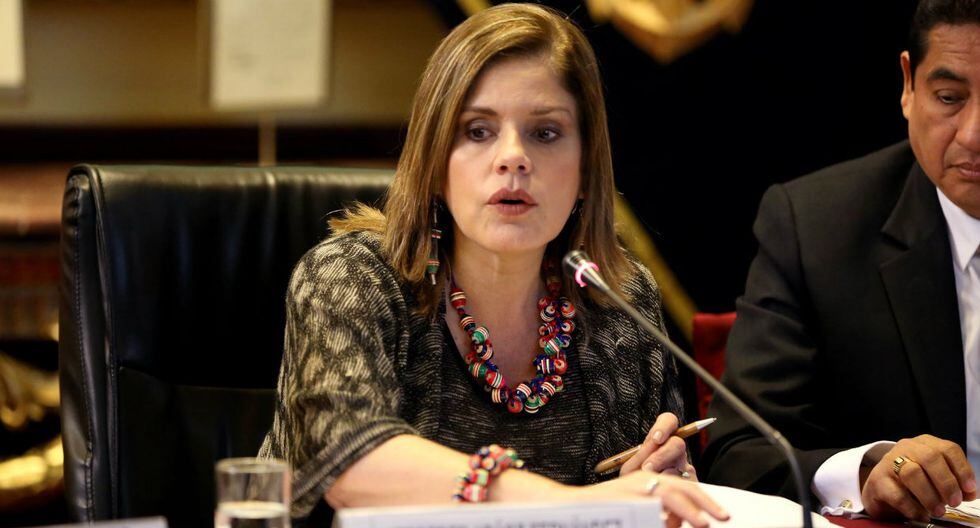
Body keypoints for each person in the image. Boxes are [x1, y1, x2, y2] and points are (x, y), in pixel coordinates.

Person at [259, 4, 728, 527]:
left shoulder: (618, 299)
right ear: (435, 162)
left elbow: (635, 489)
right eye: (478, 131)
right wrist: (570, 502)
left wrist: (659, 484)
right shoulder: (351, 278)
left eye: (545, 133)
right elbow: (350, 461)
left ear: (586, 167)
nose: (513, 157)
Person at [702, 0, 980, 522]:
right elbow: (740, 451)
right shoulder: (816, 227)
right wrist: (866, 469)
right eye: (949, 98)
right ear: (908, 85)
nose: (973, 135)